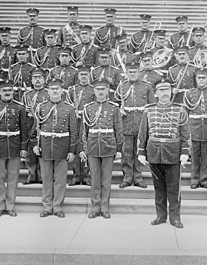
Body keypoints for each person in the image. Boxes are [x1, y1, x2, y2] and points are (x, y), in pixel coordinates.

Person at [138, 81, 191, 229]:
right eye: (161, 90)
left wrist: (185, 152)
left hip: (173, 151)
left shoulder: (180, 110)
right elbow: (143, 133)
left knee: (174, 188)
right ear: (156, 93)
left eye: (167, 89)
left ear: (171, 91)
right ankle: (161, 216)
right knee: (159, 188)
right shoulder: (149, 110)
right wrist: (141, 152)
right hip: (154, 151)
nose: (164, 93)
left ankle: (175, 218)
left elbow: (186, 133)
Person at [0, 81, 30, 217]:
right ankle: (0, 205)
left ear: (13, 91)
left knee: (13, 178)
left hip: (15, 146)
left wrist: (24, 147)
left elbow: (24, 130)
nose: (7, 92)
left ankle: (10, 206)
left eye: (10, 90)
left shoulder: (19, 107)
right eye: (4, 90)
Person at [32, 79, 78, 218]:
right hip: (45, 146)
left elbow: (74, 131)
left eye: (57, 89)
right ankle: (47, 206)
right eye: (52, 89)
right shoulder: (41, 107)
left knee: (60, 179)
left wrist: (72, 150)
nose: (55, 91)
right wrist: (35, 145)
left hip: (62, 146)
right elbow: (35, 129)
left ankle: (57, 206)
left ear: (62, 91)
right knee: (46, 178)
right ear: (48, 91)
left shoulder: (69, 109)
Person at [80, 79, 123, 219]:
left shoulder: (114, 108)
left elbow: (119, 129)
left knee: (106, 180)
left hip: (108, 146)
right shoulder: (88, 108)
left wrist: (118, 149)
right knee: (94, 179)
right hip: (92, 146)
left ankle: (105, 207)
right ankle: (95, 207)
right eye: (98, 89)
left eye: (103, 89)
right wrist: (83, 148)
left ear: (107, 91)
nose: (100, 92)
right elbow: (83, 131)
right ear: (94, 91)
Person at [117, 61, 155, 188]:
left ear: (139, 72)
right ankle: (127, 177)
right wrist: (119, 109)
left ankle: (138, 177)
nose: (132, 74)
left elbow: (151, 106)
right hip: (126, 122)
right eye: (130, 72)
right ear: (126, 73)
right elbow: (115, 104)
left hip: (141, 123)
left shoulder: (147, 87)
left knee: (139, 152)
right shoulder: (121, 87)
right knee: (126, 152)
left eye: (135, 72)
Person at [183, 68, 207, 189]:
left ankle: (204, 179)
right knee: (194, 155)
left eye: (203, 78)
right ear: (196, 79)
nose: (201, 80)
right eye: (199, 78)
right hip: (193, 127)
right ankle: (194, 179)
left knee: (205, 155)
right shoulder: (189, 94)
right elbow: (185, 114)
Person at [66, 66, 95, 186]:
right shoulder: (72, 90)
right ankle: (76, 175)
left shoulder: (93, 90)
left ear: (89, 76)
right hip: (75, 120)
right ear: (78, 76)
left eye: (86, 75)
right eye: (81, 74)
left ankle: (86, 175)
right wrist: (74, 115)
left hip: (89, 121)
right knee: (76, 147)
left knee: (87, 145)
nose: (84, 77)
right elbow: (68, 106)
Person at [22, 68, 49, 185]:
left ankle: (43, 175)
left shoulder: (48, 93)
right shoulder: (27, 94)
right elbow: (21, 111)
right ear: (31, 80)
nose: (37, 80)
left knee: (43, 148)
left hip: (44, 123)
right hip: (30, 123)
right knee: (30, 150)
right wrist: (26, 110)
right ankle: (32, 175)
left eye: (40, 78)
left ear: (44, 79)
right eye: (35, 78)